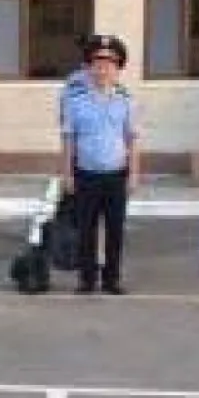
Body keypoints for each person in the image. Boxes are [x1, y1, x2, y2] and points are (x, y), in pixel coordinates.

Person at [60, 35, 141, 295]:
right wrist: (67, 174)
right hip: (86, 174)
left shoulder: (127, 102)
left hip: (116, 174)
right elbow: (68, 139)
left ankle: (111, 279)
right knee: (87, 230)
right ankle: (87, 279)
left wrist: (134, 174)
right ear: (88, 67)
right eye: (98, 63)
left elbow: (132, 139)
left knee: (116, 230)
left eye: (110, 64)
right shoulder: (76, 101)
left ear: (118, 69)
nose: (103, 69)